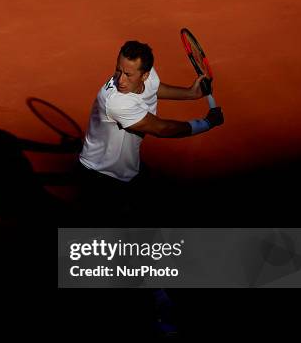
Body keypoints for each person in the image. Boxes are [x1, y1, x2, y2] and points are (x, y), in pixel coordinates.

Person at [76, 40, 223, 225]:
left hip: (127, 168)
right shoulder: (117, 102)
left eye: (128, 74)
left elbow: (153, 89)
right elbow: (162, 129)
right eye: (118, 70)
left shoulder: (149, 77)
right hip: (102, 178)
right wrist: (207, 123)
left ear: (145, 75)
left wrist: (190, 94)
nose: (120, 80)